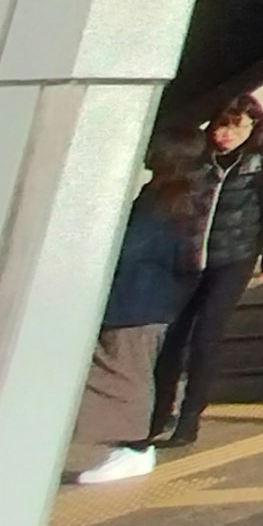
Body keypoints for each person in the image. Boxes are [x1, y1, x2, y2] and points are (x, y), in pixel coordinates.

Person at [151, 93, 263, 451]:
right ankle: (158, 412)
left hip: (234, 255)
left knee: (206, 333)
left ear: (253, 127)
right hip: (191, 255)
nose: (225, 135)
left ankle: (189, 419)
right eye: (221, 126)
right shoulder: (198, 157)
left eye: (236, 127)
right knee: (173, 334)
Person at [71, 142, 198, 487]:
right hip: (151, 301)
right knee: (125, 373)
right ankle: (129, 444)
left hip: (134, 302)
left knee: (126, 375)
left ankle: (135, 447)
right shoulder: (178, 199)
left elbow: (126, 249)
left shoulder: (157, 202)